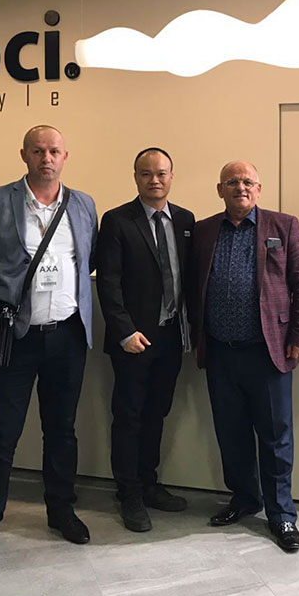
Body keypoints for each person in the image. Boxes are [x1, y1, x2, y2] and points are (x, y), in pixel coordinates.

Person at [0, 125, 98, 562]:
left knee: (61, 429)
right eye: (38, 150)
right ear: (23, 154)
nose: (47, 158)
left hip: (67, 335)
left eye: (54, 151)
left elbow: (86, 261)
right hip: (15, 337)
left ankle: (61, 511)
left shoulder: (83, 205)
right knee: (1, 431)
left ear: (65, 156)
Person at [187, 161, 299, 553]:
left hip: (268, 351)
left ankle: (282, 514)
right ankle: (244, 498)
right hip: (220, 351)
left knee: (275, 436)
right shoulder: (205, 230)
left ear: (258, 189)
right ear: (220, 189)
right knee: (231, 432)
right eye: (232, 182)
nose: (240, 187)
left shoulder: (284, 226)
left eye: (247, 181)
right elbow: (192, 283)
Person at [96, 147, 195, 532]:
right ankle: (129, 493)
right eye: (146, 173)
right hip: (133, 340)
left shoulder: (185, 220)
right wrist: (123, 331)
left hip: (170, 337)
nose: (154, 180)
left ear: (172, 176)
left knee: (157, 413)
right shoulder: (117, 220)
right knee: (129, 417)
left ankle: (149, 483)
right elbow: (108, 281)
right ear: (135, 177)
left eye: (161, 173)